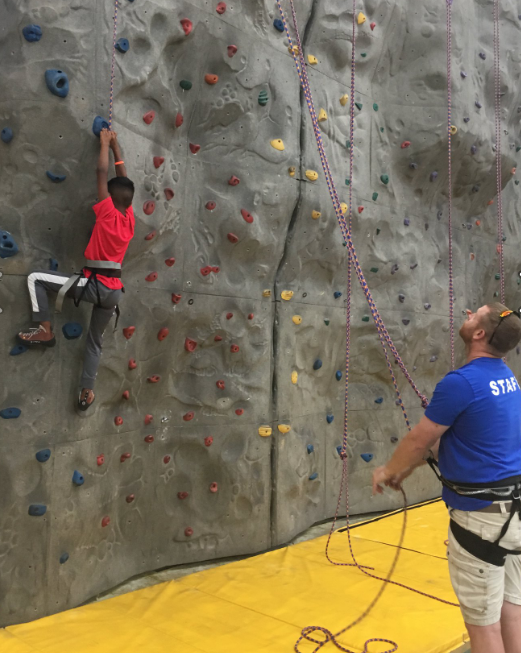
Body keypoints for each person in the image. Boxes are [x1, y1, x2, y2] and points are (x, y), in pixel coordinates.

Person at [372, 303, 521, 653]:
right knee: (509, 608)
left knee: (483, 626)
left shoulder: (461, 383)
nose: (466, 314)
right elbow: (460, 442)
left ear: (480, 334)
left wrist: (390, 471)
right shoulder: (506, 378)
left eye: (474, 315)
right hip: (512, 512)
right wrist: (409, 466)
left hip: (482, 518)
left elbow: (419, 440)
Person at [17, 129, 135, 412]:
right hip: (113, 294)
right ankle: (87, 392)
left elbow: (101, 171)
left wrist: (105, 144)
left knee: (36, 279)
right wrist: (117, 146)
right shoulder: (130, 220)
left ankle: (44, 329)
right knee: (95, 343)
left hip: (94, 286)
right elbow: (122, 179)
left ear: (110, 197)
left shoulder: (106, 211)